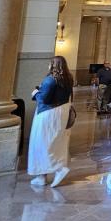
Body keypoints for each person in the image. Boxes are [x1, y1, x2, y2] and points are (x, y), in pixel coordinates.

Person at [28, 56, 74, 187]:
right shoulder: (68, 79)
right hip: (61, 112)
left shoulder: (50, 80)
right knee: (53, 142)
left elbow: (45, 99)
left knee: (41, 143)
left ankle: (59, 168)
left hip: (48, 113)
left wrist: (35, 93)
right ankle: (41, 176)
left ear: (53, 65)